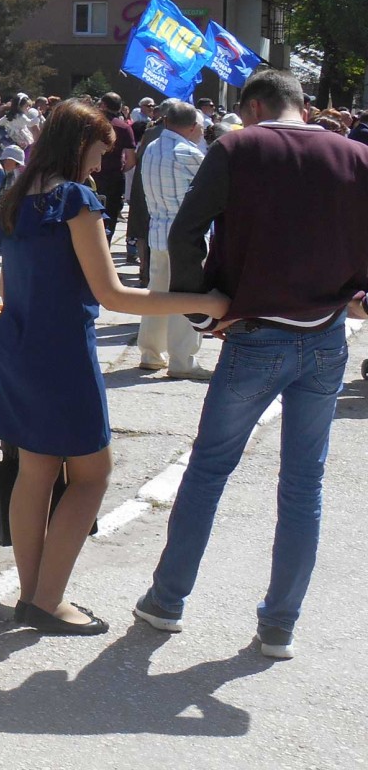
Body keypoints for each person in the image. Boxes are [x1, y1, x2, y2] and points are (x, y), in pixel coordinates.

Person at [132, 69, 367, 658]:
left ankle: (167, 600)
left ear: (255, 107)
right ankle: (279, 624)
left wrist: (200, 312)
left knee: (209, 472)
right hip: (324, 336)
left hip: (253, 333)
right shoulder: (356, 155)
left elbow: (186, 231)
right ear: (304, 104)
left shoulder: (238, 145)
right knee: (303, 485)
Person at [0, 99, 226, 636]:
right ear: (80, 145)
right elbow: (112, 294)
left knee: (36, 471)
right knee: (92, 474)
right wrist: (202, 303)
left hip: (17, 346)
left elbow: (6, 288)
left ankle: (31, 596)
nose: (100, 164)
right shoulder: (76, 198)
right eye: (98, 151)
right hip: (63, 351)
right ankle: (48, 602)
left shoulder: (16, 197)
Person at [135, 100, 206, 379]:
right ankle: (182, 359)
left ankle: (151, 353)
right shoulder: (188, 152)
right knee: (186, 297)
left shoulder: (152, 147)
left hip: (158, 230)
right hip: (185, 235)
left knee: (157, 294)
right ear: (192, 126)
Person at [92, 92, 137, 242]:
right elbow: (131, 159)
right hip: (113, 178)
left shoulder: (90, 123)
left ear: (103, 105)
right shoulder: (124, 127)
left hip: (90, 176)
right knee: (110, 217)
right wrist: (121, 170)